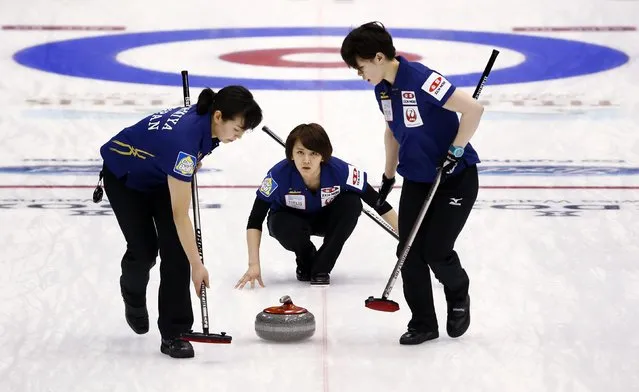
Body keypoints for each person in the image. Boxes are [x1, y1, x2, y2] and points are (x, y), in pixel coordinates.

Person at [340, 22, 485, 345]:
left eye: (360, 67)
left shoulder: (422, 79)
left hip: (455, 179)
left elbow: (473, 109)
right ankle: (423, 323)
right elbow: (392, 131)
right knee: (407, 252)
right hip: (417, 179)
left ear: (378, 57)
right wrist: (389, 174)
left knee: (435, 250)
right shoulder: (382, 90)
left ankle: (458, 291)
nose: (360, 74)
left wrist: (456, 149)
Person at [97, 86, 262, 358]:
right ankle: (132, 291)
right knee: (145, 250)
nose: (238, 137)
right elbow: (180, 214)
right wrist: (198, 266)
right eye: (238, 129)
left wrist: (189, 259)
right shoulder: (184, 143)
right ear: (218, 116)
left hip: (160, 175)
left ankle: (175, 332)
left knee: (176, 250)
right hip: (125, 177)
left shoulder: (205, 122)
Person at [235, 123, 398, 288]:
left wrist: (406, 237)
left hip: (324, 220)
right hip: (290, 221)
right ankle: (306, 258)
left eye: (313, 153)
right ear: (291, 154)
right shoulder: (277, 176)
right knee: (282, 225)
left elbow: (379, 203)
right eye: (300, 152)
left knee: (352, 202)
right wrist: (253, 264)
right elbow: (255, 219)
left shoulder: (341, 171)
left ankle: (322, 266)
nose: (306, 160)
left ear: (323, 156)